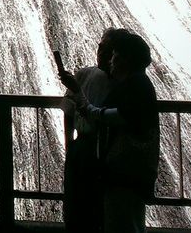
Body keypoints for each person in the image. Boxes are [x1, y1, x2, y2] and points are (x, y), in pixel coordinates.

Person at [62, 31, 160, 233]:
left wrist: (79, 95)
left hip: (124, 172)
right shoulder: (135, 84)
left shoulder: (134, 87)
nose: (109, 59)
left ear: (126, 59)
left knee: (120, 222)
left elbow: (104, 116)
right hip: (124, 172)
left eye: (113, 54)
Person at [59, 28, 131, 233]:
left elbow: (82, 110)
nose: (101, 54)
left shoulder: (122, 85)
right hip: (82, 147)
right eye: (101, 48)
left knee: (99, 211)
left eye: (109, 51)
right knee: (75, 209)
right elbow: (69, 112)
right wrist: (69, 145)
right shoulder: (85, 74)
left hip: (106, 153)